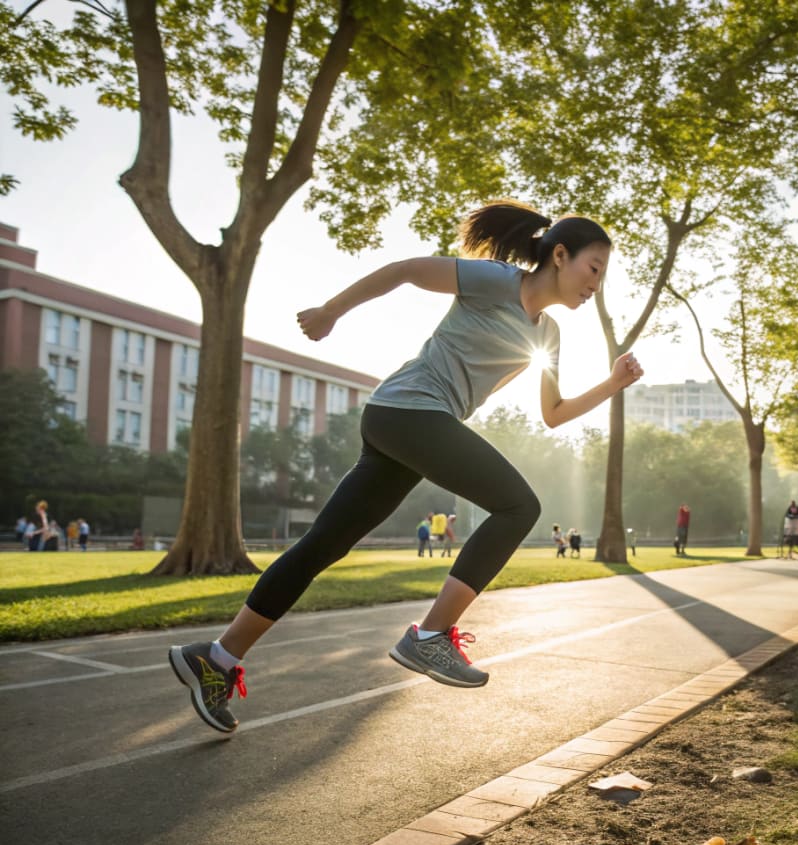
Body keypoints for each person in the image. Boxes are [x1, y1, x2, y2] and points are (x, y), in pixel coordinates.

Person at [168, 201, 643, 732]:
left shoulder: (548, 335)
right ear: (560, 255)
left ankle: (219, 657)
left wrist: (611, 384)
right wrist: (330, 310)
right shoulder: (496, 281)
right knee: (518, 506)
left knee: (321, 546)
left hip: (405, 423)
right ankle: (430, 637)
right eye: (593, 269)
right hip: (408, 409)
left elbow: (553, 416)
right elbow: (407, 271)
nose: (595, 284)